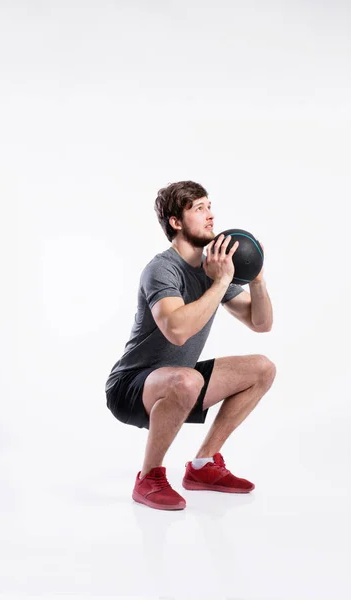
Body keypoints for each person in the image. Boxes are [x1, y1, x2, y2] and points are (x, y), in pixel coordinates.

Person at [105, 181, 276, 511]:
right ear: (176, 222)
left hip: (179, 381)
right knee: (188, 379)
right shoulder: (162, 269)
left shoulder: (211, 271)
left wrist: (256, 279)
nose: (210, 216)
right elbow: (177, 331)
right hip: (131, 386)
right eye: (199, 209)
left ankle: (203, 466)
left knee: (262, 368)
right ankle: (149, 477)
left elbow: (261, 323)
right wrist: (223, 281)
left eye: (210, 206)